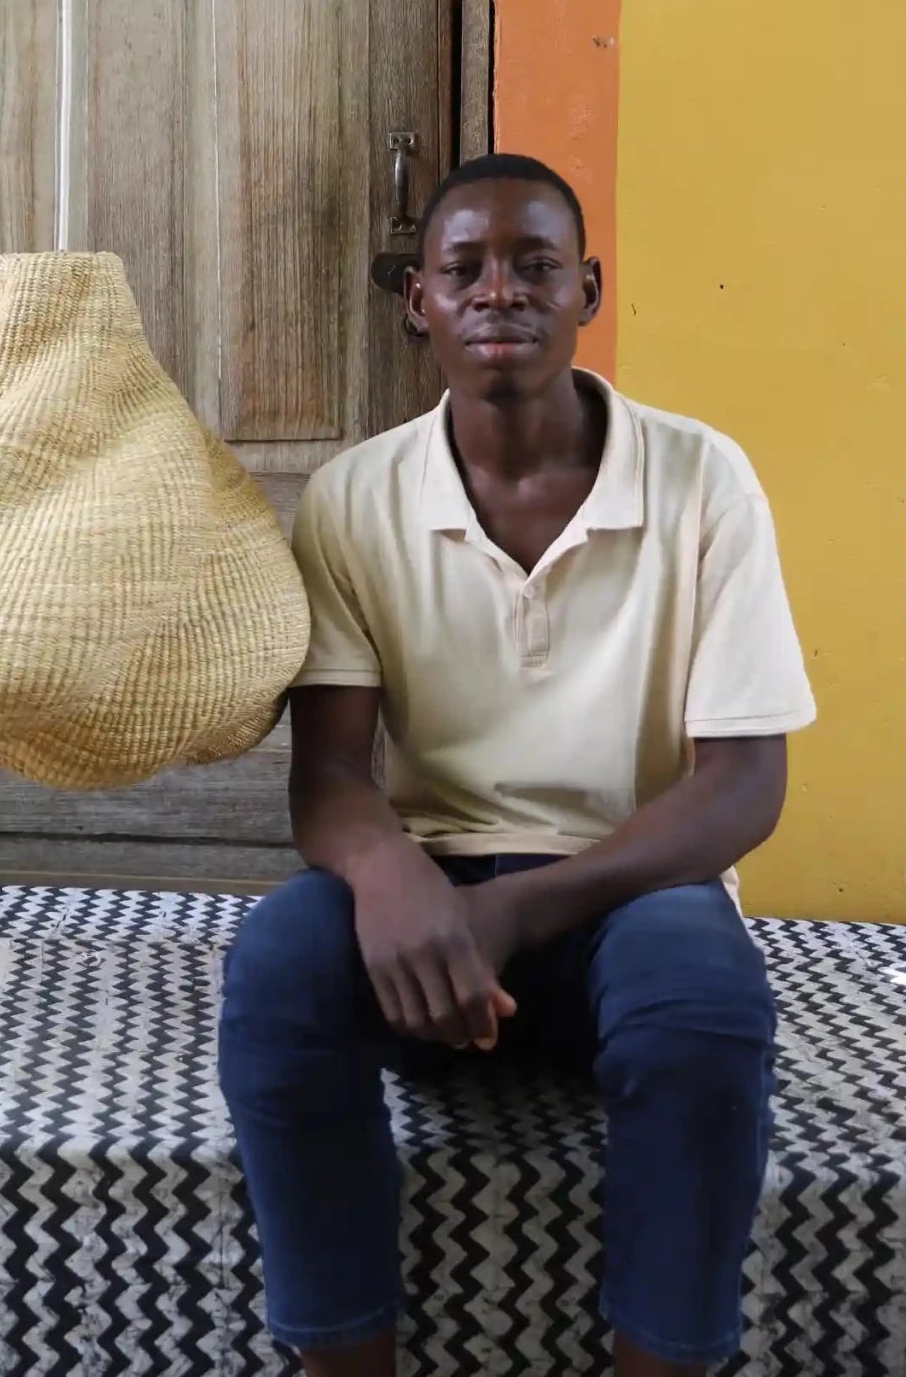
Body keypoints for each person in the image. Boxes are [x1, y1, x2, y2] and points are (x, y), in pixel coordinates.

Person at [219, 152, 816, 1377]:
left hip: (635, 885)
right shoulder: (352, 495)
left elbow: (746, 781)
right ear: (419, 303)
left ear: (587, 287)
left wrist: (517, 910)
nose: (502, 290)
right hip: (435, 888)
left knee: (707, 1014)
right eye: (465, 268)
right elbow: (330, 769)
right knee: (279, 968)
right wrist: (394, 881)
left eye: (536, 263)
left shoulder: (703, 478)